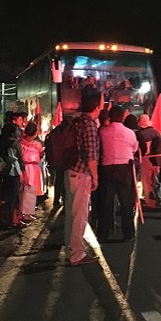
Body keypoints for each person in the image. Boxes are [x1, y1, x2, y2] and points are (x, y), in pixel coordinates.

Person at [65, 93, 101, 266]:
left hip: (72, 171)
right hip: (82, 174)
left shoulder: (77, 121)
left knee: (73, 213)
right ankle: (77, 254)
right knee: (80, 214)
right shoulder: (89, 125)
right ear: (97, 107)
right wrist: (95, 177)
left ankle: (74, 247)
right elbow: (91, 155)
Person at [98, 105, 139, 242]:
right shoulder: (130, 133)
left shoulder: (103, 132)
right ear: (122, 117)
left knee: (106, 202)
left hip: (107, 168)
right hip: (124, 168)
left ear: (110, 117)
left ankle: (103, 233)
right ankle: (128, 233)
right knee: (126, 202)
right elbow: (134, 148)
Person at [0, 121, 26, 226]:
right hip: (14, 171)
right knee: (14, 196)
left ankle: (0, 218)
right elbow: (21, 160)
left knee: (2, 195)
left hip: (1, 171)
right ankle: (15, 219)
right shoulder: (16, 144)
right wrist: (24, 173)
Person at [20, 122, 44, 222]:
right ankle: (26, 213)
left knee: (25, 191)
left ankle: (25, 212)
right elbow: (41, 154)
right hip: (30, 168)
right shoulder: (36, 145)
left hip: (26, 167)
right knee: (28, 191)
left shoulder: (21, 142)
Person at [136, 114, 161, 208]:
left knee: (146, 181)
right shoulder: (156, 132)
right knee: (155, 179)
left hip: (146, 158)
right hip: (157, 159)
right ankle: (158, 197)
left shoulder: (140, 134)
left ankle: (150, 201)